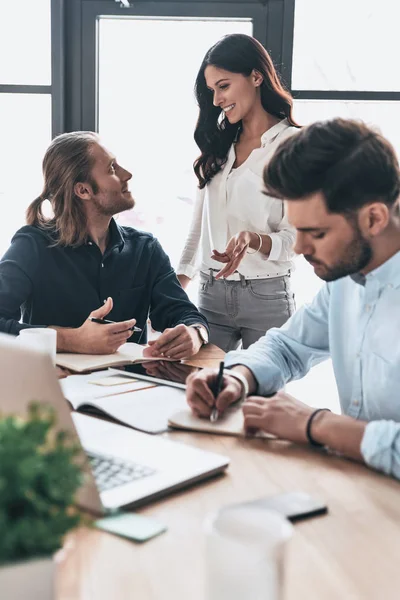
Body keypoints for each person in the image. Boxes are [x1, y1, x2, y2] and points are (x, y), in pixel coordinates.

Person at [186, 118, 400, 480]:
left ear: (374, 218)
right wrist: (237, 377)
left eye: (316, 232)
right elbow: (287, 346)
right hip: (364, 491)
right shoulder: (346, 279)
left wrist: (316, 424)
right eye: (297, 230)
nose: (299, 248)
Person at [0, 131, 209, 359]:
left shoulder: (146, 249)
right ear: (83, 190)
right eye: (111, 169)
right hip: (57, 387)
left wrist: (195, 333)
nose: (127, 174)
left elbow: (184, 312)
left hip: (130, 388)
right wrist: (73, 339)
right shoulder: (32, 245)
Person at [177, 33, 299, 352]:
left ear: (256, 76)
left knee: (263, 401)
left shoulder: (294, 146)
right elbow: (197, 231)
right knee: (204, 396)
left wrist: (253, 239)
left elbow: (297, 239)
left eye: (224, 85)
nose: (216, 99)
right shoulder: (217, 147)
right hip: (210, 295)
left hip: (267, 298)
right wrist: (174, 293)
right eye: (211, 90)